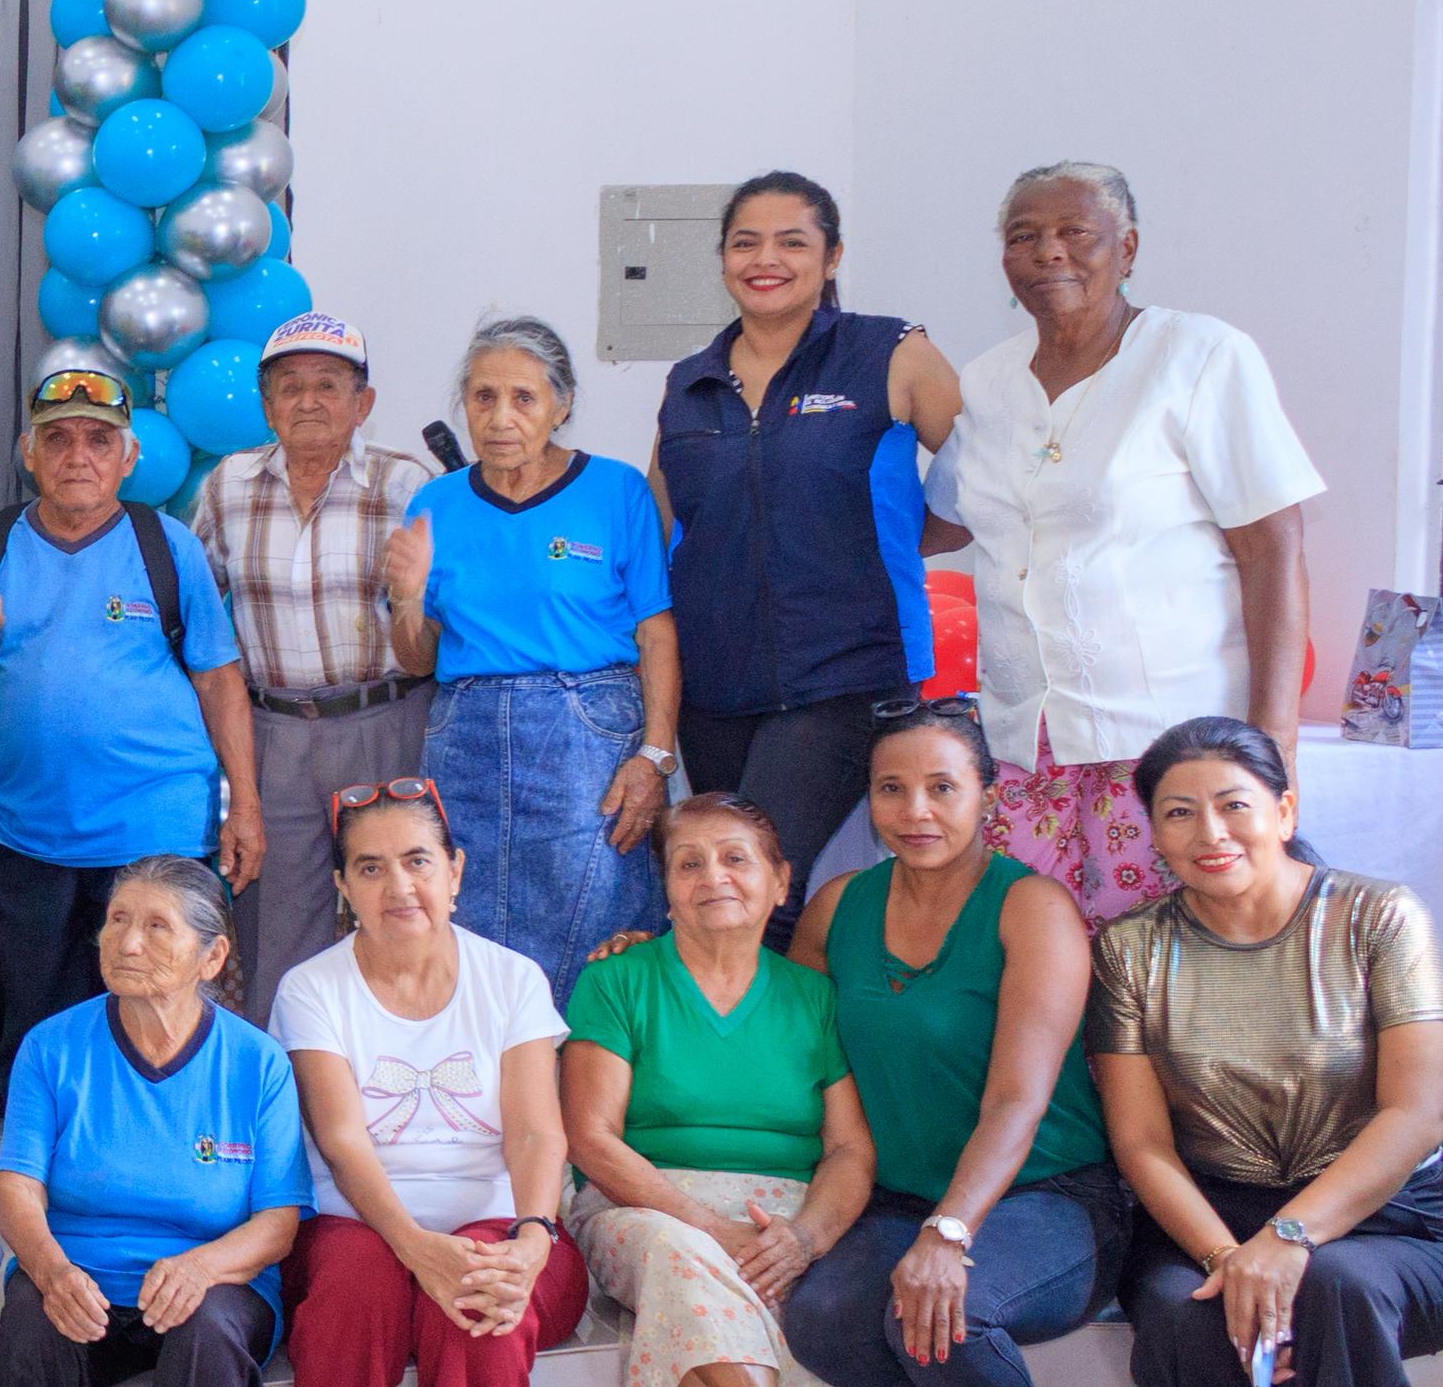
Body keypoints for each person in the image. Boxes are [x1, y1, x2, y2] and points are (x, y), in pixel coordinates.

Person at [778, 700, 1166, 1387]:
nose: (916, 810)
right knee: (821, 1321)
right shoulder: (838, 908)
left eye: (942, 788)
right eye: (892, 789)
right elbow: (780, 1034)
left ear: (989, 798)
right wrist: (651, 960)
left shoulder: (1033, 908)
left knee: (943, 1319)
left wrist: (949, 1233)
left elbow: (1018, 1100)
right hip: (896, 1198)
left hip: (1050, 1197)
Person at [1093, 715, 1443, 1387]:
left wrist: (1287, 1240)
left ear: (1284, 811)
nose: (1208, 831)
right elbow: (1141, 1144)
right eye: (1178, 812)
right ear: (1152, 833)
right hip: (1206, 1212)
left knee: (1333, 1293)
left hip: (1382, 1210)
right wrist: (1229, 1252)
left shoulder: (1376, 916)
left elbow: (1416, 1111)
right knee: (1185, 1312)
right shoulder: (1131, 947)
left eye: (1233, 804)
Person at [924, 163, 1325, 922]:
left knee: (1168, 948)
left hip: (1168, 741)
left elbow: (1272, 547)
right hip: (1023, 738)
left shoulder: (1198, 355)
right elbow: (940, 522)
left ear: (1128, 248)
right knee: (1033, 944)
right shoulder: (987, 381)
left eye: (1075, 232)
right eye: (1023, 236)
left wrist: (1275, 745)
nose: (1048, 251)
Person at [252, 780, 585, 1387]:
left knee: (487, 1292)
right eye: (370, 868)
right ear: (342, 886)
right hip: (359, 1224)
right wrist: (413, 1246)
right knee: (351, 1290)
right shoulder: (312, 987)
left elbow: (536, 1131)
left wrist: (532, 1237)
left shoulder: (511, 979)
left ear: (455, 872)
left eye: (417, 862)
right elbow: (341, 1141)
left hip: (505, 1221)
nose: (398, 886)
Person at [562, 797, 902, 1387]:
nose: (713, 876)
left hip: (778, 1215)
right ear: (666, 889)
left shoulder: (813, 998)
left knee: (710, 1295)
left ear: (782, 883)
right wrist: (711, 1230)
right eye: (689, 863)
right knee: (689, 1259)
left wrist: (806, 1237)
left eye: (736, 858)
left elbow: (850, 1150)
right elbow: (592, 1140)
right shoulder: (617, 980)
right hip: (642, 1203)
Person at [0, 858, 308, 1387]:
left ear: (212, 956)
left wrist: (202, 1266)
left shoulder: (256, 1063)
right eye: (118, 920)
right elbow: (16, 1188)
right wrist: (52, 1270)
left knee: (210, 1332)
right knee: (30, 1329)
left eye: (157, 926)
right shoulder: (53, 1048)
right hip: (82, 1275)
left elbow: (278, 1222)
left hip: (213, 1279)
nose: (126, 942)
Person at [0, 364, 259, 1099]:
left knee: (158, 1014)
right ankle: (39, 1158)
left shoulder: (167, 545)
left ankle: (155, 1153)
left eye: (99, 441)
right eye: (57, 439)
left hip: (157, 832)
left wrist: (246, 807)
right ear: (28, 452)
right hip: (26, 830)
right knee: (36, 1026)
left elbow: (219, 680)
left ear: (128, 459)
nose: (78, 456)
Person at [653, 175, 962, 934]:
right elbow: (663, 524)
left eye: (792, 242)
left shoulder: (891, 352)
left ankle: (775, 1015)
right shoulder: (689, 383)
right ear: (723, 259)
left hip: (844, 674)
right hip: (714, 684)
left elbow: (984, 491)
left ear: (832, 257)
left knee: (751, 880)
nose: (766, 260)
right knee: (725, 885)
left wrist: (886, 537)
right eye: (745, 243)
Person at [384, 315, 680, 1004]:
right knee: (465, 914)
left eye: (523, 397)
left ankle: (590, 1070)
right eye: (483, 397)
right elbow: (417, 659)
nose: (500, 418)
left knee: (596, 915)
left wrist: (656, 755)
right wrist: (407, 598)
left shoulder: (615, 491)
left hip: (588, 733)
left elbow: (657, 633)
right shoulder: (435, 503)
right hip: (466, 735)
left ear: (561, 405)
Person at [191, 311, 433, 1015]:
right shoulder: (227, 486)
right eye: (289, 387)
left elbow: (442, 617)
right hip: (275, 734)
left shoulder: (406, 483)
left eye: (328, 385)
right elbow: (196, 621)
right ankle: (286, 1073)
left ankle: (394, 1064)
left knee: (401, 908)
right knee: (279, 927)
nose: (308, 401)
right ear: (266, 406)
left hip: (388, 720)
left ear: (364, 402)